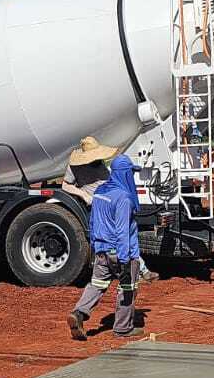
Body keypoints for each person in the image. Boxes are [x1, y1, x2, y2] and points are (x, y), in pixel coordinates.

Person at [61, 135, 158, 282]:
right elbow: (65, 185)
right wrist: (83, 195)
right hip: (98, 204)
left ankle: (140, 270)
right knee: (118, 235)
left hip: (111, 201)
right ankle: (132, 272)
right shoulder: (74, 166)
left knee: (124, 233)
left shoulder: (99, 163)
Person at [69, 154, 143, 340]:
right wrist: (125, 261)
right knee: (127, 288)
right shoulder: (124, 199)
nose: (132, 176)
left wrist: (95, 247)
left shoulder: (101, 191)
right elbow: (122, 232)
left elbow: (93, 221)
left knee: (97, 285)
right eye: (130, 172)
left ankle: (78, 313)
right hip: (120, 252)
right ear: (125, 173)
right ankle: (122, 328)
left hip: (101, 251)